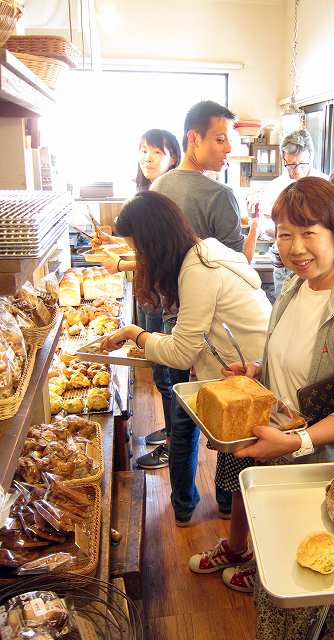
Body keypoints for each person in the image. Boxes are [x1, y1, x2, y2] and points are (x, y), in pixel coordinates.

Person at [188, 177, 334, 617]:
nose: (294, 247)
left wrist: (296, 442)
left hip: (317, 463)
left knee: (302, 580)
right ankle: (256, 565)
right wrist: (259, 371)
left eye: (309, 233)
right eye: (284, 234)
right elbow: (289, 358)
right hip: (279, 445)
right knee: (276, 551)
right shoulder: (296, 286)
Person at [100, 191, 272, 528]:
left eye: (140, 249)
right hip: (243, 362)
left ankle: (199, 510)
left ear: (154, 241)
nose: (140, 257)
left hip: (248, 369)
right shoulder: (201, 250)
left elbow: (181, 352)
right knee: (225, 439)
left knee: (222, 438)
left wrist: (136, 334)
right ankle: (215, 506)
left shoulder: (198, 269)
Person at [145, 100, 258, 516]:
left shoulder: (159, 189)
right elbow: (232, 269)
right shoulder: (220, 195)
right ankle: (228, 501)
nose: (228, 149)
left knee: (178, 415)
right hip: (210, 328)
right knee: (227, 412)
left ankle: (182, 505)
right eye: (220, 138)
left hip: (165, 315)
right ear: (194, 138)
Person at [100, 129, 182, 469]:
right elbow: (146, 248)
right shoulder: (147, 193)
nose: (147, 158)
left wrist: (120, 261)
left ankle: (176, 443)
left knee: (167, 373)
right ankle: (171, 434)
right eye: (143, 151)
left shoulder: (167, 196)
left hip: (167, 298)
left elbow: (163, 253)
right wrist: (116, 244)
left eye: (156, 152)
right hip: (153, 293)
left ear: (173, 157)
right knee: (160, 373)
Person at [259, 129, 327, 296]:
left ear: (310, 157)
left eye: (301, 164)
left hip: (317, 261)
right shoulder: (275, 187)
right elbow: (264, 223)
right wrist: (280, 232)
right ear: (283, 158)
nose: (296, 170)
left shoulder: (325, 186)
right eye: (290, 164)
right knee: (283, 311)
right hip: (284, 263)